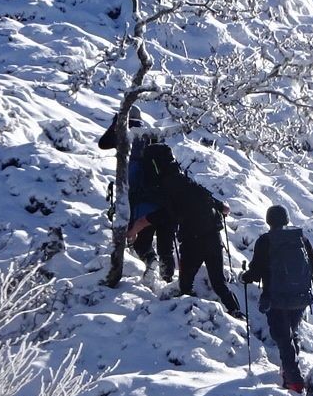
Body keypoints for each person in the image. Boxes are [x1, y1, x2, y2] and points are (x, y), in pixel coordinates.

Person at [241, 205, 313, 394]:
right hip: (300, 298)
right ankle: (289, 372)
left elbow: (255, 273)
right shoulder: (300, 238)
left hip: (277, 298)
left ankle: (294, 381)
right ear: (287, 219)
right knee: (290, 333)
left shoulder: (265, 241)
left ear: (269, 221)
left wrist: (245, 277)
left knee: (283, 337)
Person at [97, 106, 178, 282]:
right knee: (164, 246)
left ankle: (151, 263)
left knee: (140, 241)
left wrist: (115, 125)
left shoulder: (124, 133)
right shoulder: (148, 135)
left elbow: (102, 144)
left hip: (134, 196)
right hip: (157, 197)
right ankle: (167, 280)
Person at [167, 164, 243, 317]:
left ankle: (188, 311)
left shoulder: (172, 195)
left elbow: (169, 218)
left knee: (186, 282)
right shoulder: (198, 189)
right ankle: (236, 311)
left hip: (191, 243)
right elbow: (225, 209)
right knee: (219, 283)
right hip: (213, 240)